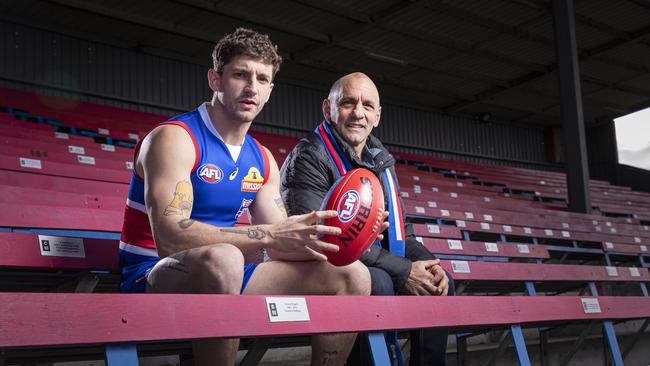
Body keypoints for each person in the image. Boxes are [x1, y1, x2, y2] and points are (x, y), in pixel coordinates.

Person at [118, 29, 370, 366]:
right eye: (240, 74)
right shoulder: (174, 138)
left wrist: (355, 233)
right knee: (226, 259)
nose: (252, 86)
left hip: (229, 274)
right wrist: (267, 235)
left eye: (262, 78)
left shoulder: (263, 159)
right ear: (216, 79)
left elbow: (284, 242)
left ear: (270, 90)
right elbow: (171, 239)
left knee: (353, 274)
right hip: (151, 272)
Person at [280, 72, 454, 365]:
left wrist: (430, 266)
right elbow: (322, 238)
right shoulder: (309, 156)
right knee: (379, 281)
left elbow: (403, 232)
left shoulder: (382, 161)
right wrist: (404, 271)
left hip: (370, 261)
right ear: (328, 109)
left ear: (378, 115)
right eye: (348, 102)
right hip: (321, 267)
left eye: (367, 106)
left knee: (441, 281)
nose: (358, 113)